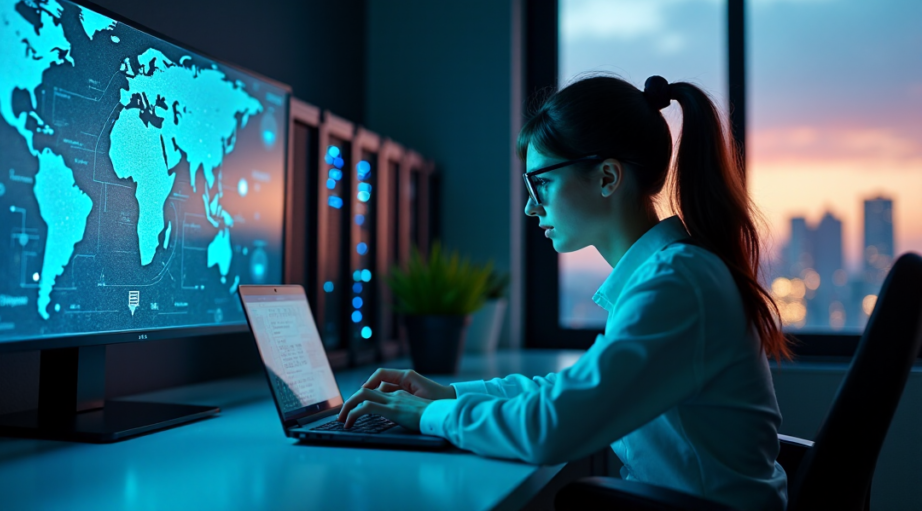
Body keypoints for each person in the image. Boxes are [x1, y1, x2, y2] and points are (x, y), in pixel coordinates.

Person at [338, 75, 789, 511]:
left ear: (607, 178)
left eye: (543, 183)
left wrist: (426, 417)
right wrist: (451, 396)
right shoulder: (673, 273)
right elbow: (569, 391)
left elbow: (550, 429)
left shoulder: (675, 284)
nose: (532, 206)